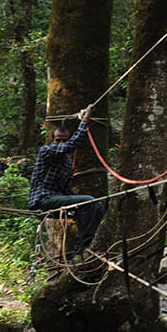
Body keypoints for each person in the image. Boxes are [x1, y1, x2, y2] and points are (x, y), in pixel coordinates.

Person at [28, 105, 105, 255]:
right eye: (58, 140)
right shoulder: (46, 151)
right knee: (88, 201)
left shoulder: (67, 163)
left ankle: (89, 243)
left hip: (57, 199)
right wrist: (85, 120)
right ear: (52, 140)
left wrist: (79, 200)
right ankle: (83, 246)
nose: (61, 143)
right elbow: (71, 146)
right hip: (42, 200)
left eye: (64, 140)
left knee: (97, 205)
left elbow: (64, 189)